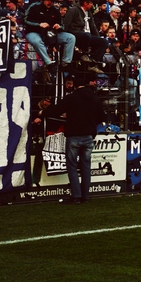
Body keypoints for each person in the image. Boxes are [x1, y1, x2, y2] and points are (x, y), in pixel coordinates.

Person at [44, 73, 105, 204]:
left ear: (75, 86)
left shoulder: (71, 98)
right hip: (89, 136)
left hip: (74, 136)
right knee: (86, 167)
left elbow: (55, 110)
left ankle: (76, 195)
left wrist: (43, 112)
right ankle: (85, 196)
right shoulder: (95, 99)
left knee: (72, 166)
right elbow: (101, 117)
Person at [24, 0, 76, 70]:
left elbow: (62, 25)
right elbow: (25, 20)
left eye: (51, 1)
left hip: (51, 34)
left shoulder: (55, 10)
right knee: (37, 41)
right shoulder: (34, 6)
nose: (49, 2)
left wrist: (59, 26)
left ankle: (66, 62)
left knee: (71, 37)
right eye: (48, 0)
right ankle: (48, 62)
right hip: (34, 32)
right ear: (43, 0)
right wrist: (39, 24)